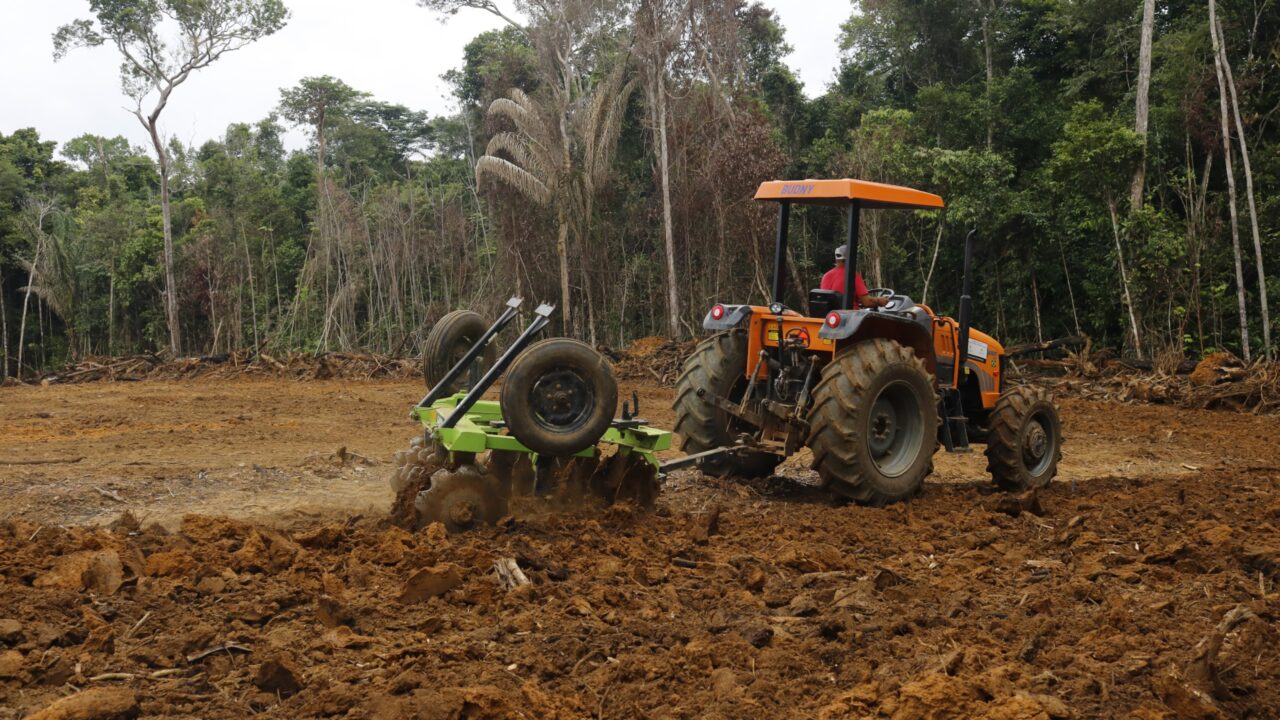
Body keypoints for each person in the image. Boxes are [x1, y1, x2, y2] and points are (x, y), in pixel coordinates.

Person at [820, 245, 889, 309]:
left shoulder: (826, 276)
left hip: (829, 315)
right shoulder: (852, 275)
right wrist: (880, 301)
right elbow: (867, 302)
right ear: (851, 259)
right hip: (849, 316)